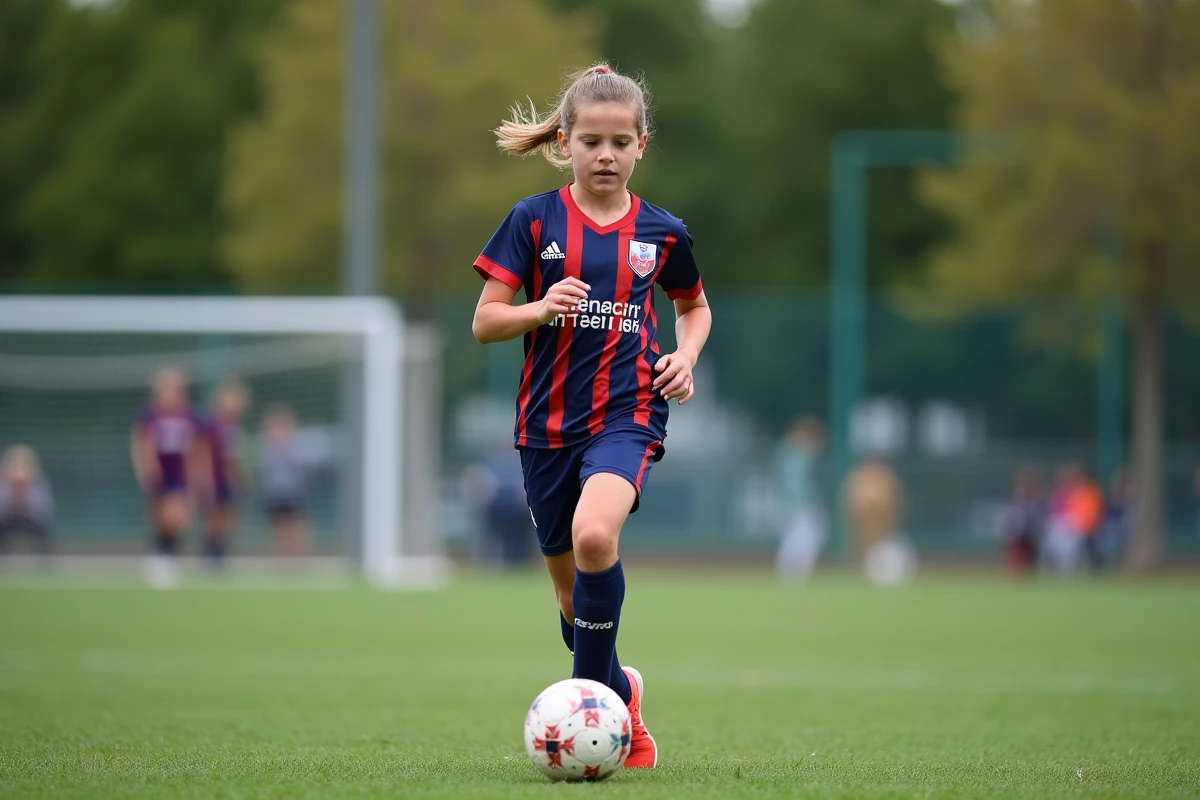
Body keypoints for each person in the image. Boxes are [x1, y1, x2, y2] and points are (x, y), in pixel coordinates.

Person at [471, 64, 711, 769]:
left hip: (627, 414)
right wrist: (538, 309)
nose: (605, 155)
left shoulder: (663, 232)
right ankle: (618, 690)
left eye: (619, 142)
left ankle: (595, 709)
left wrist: (686, 357)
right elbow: (485, 323)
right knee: (573, 601)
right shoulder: (533, 220)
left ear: (642, 144)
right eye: (590, 141)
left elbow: (692, 307)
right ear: (565, 144)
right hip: (544, 428)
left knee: (595, 536)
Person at [131, 366, 206, 586]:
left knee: (179, 518)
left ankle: (166, 556)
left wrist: (196, 475)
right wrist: (146, 470)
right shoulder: (150, 415)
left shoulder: (189, 415)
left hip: (181, 473)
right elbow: (142, 443)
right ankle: (160, 557)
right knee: (162, 518)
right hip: (160, 474)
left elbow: (196, 446)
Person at [201, 379, 250, 567]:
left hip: (230, 481)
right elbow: (204, 453)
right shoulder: (212, 423)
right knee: (214, 518)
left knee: (228, 518)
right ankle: (211, 554)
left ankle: (221, 553)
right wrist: (206, 480)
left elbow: (236, 457)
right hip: (214, 479)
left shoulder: (237, 426)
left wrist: (240, 478)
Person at [773, 416, 826, 581]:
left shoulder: (786, 452)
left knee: (800, 538)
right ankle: (792, 573)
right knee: (799, 539)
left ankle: (794, 573)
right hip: (797, 505)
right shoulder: (794, 455)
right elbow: (795, 485)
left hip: (791, 503)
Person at [259, 404, 311, 557]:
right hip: (275, 493)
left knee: (296, 526)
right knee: (278, 528)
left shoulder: (295, 446)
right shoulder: (268, 447)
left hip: (292, 492)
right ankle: (281, 559)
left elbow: (301, 468)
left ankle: (300, 558)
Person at [0, 445, 53, 558]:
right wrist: (13, 493)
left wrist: (24, 495)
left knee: (42, 531)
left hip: (30, 520)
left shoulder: (37, 481)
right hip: (6, 520)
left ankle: (45, 561)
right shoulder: (3, 481)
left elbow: (42, 508)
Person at [1002, 469, 1044, 576]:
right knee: (1016, 553)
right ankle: (1015, 574)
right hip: (1017, 530)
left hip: (1030, 531)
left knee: (1029, 555)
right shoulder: (1017, 499)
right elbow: (1011, 516)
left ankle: (1027, 574)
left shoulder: (1037, 499)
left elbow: (1037, 516)